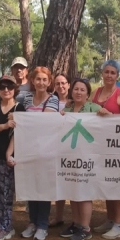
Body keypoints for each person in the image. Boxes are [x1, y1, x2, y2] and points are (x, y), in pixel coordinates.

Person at [8, 66, 60, 240]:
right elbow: (16, 115)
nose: (41, 83)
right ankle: (32, 222)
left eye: (45, 80)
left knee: (43, 187)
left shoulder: (53, 100)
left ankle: (43, 225)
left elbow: (42, 122)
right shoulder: (25, 98)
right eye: (38, 79)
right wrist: (12, 117)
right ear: (32, 80)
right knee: (31, 186)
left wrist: (21, 117)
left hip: (46, 151)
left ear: (49, 82)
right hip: (27, 150)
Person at [91, 60, 120, 239]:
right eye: (106, 72)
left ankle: (118, 224)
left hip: (117, 146)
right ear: (102, 73)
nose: (109, 75)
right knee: (106, 182)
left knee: (118, 184)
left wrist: (111, 116)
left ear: (117, 75)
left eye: (113, 72)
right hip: (98, 146)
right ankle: (109, 219)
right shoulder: (96, 92)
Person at [0, 75, 26, 240]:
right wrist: (4, 126)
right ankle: (2, 223)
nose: (6, 90)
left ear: (15, 89)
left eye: (9, 87)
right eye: (2, 87)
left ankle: (6, 226)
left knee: (6, 192)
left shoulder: (19, 108)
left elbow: (18, 134)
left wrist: (9, 153)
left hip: (6, 157)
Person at [59, 79, 101, 240]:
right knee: (73, 191)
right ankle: (76, 224)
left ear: (88, 94)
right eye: (76, 89)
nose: (78, 92)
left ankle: (85, 227)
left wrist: (105, 114)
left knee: (84, 192)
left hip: (87, 157)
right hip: (69, 156)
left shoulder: (94, 108)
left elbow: (110, 120)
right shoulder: (67, 109)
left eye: (82, 90)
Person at [49, 73, 71, 228]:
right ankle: (58, 216)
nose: (61, 86)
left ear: (68, 84)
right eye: (57, 84)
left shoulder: (76, 99)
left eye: (63, 83)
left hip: (72, 145)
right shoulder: (51, 102)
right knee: (58, 180)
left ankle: (77, 219)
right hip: (54, 144)